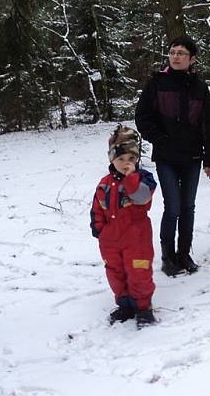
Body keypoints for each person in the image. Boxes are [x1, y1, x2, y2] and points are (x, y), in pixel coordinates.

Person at [135, 36, 210, 276]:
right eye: (173, 52)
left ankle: (184, 254)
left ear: (192, 58)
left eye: (181, 53)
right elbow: (142, 116)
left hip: (192, 156)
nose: (175, 56)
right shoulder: (157, 82)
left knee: (188, 207)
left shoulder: (199, 87)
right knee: (172, 206)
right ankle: (167, 255)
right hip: (166, 157)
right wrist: (160, 138)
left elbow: (208, 124)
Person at [91, 125, 158, 328]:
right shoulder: (104, 183)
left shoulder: (143, 179)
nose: (126, 163)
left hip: (137, 238)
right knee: (115, 273)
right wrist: (100, 230)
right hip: (111, 240)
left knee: (139, 271)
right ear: (112, 159)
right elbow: (96, 207)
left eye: (131, 159)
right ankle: (125, 304)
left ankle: (143, 307)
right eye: (121, 159)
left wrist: (131, 178)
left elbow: (142, 198)